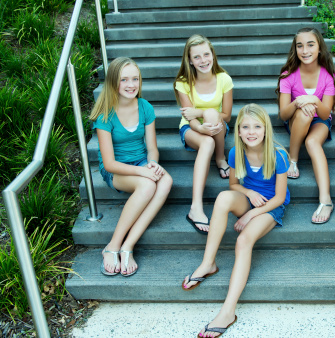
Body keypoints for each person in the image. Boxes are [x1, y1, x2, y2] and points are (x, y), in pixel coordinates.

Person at [182, 104, 290, 337]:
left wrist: (252, 213)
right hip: (249, 198)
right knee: (223, 197)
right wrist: (249, 193)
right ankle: (208, 263)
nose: (252, 132)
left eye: (257, 126)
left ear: (266, 129)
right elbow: (233, 185)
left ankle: (228, 311)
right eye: (246, 127)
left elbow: (280, 197)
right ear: (238, 131)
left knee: (243, 241)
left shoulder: (278, 155)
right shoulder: (235, 153)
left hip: (271, 206)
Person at [90, 57, 173, 277]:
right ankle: (112, 246)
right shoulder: (105, 114)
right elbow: (109, 163)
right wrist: (143, 171)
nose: (130, 84)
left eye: (134, 79)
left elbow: (152, 148)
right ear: (112, 83)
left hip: (141, 163)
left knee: (166, 180)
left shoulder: (144, 107)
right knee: (147, 185)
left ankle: (128, 246)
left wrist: (152, 163)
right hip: (116, 170)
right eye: (124, 79)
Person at [276, 27, 335, 224]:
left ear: (320, 48)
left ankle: (326, 200)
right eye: (300, 46)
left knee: (313, 143)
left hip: (320, 121)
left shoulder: (328, 76)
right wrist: (298, 102)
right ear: (295, 50)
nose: (305, 50)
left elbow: (324, 113)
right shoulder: (289, 75)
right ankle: (293, 158)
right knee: (304, 114)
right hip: (297, 119)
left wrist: (312, 99)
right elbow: (283, 114)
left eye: (310, 45)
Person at [174, 34, 234, 234]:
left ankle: (219, 158)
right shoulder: (183, 82)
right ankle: (196, 207)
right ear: (190, 60)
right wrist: (200, 128)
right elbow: (187, 116)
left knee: (211, 113)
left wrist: (202, 113)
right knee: (206, 142)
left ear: (213, 55)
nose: (203, 61)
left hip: (218, 126)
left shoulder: (224, 79)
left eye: (206, 54)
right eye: (197, 57)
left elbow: (226, 116)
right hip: (192, 129)